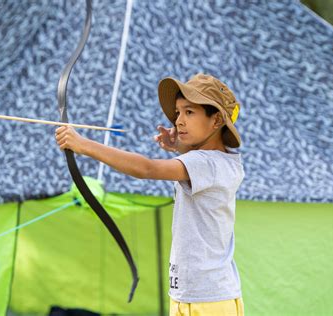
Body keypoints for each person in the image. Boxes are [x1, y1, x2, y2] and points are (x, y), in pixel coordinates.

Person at [55, 73, 245, 316]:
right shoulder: (220, 162)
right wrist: (180, 146)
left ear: (216, 119)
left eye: (189, 112)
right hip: (194, 295)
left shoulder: (206, 163)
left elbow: (147, 169)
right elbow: (195, 161)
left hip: (208, 301)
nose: (178, 121)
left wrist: (82, 145)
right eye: (177, 113)